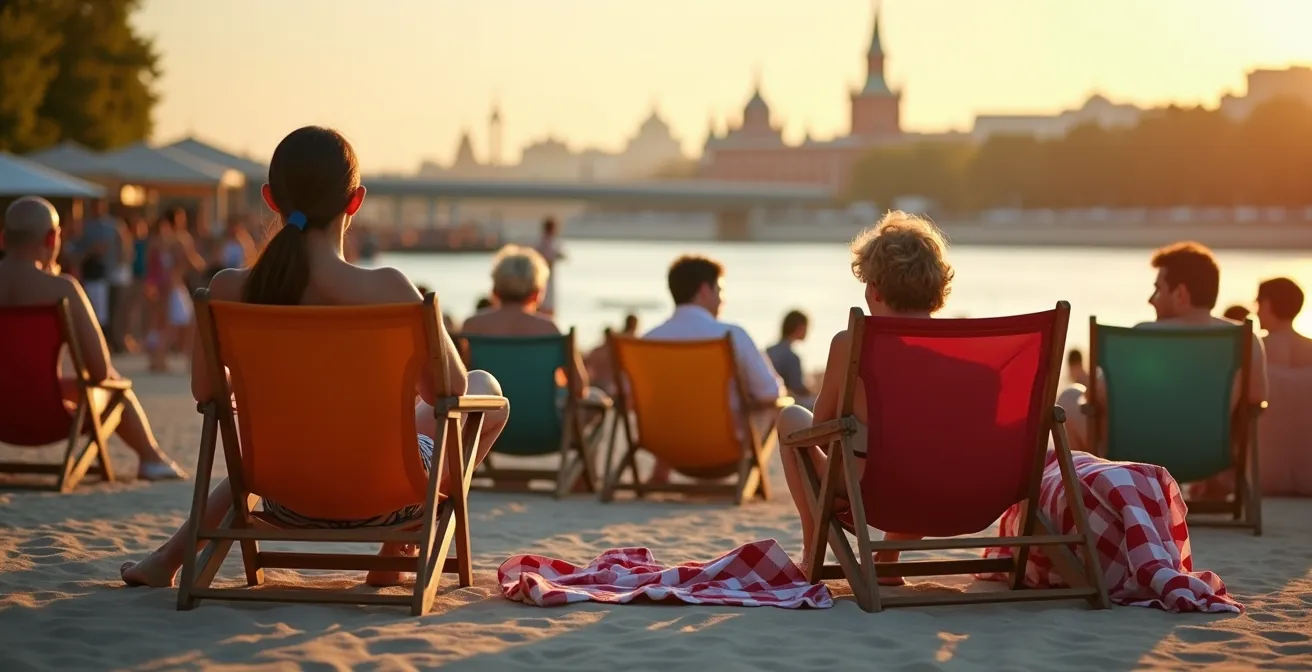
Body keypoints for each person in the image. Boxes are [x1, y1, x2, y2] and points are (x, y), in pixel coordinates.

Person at [120, 126, 509, 589]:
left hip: (280, 489)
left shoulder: (226, 290)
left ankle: (169, 558)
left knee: (261, 454)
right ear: (355, 201)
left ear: (270, 198)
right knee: (489, 392)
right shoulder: (389, 290)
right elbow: (450, 390)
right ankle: (398, 547)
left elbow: (207, 394)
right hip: (389, 495)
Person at [775, 211, 953, 579]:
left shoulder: (851, 344)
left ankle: (813, 550)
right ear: (937, 289)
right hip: (947, 490)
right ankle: (889, 560)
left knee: (792, 419)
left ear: (873, 289)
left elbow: (821, 428)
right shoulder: (966, 350)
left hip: (869, 489)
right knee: (925, 455)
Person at [0, 197, 187, 481]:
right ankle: (151, 459)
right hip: (48, 418)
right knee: (114, 383)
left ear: (3, 239)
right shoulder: (62, 290)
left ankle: (152, 458)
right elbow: (99, 370)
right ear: (52, 239)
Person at [1058, 241, 1268, 456]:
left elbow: (1095, 396)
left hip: (1140, 459)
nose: (1151, 300)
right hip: (1208, 459)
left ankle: (1093, 485)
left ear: (1181, 294)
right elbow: (1255, 403)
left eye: (1158, 289)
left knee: (1069, 398)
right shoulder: (1247, 340)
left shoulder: (1143, 336)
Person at [644, 254, 783, 484]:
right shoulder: (732, 336)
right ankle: (752, 481)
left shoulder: (648, 341)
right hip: (723, 449)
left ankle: (661, 471)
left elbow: (629, 398)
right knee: (776, 403)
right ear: (705, 291)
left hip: (665, 446)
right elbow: (770, 392)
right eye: (720, 290)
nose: (722, 300)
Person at [460, 245, 592, 391]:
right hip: (539, 413)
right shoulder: (549, 329)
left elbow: (457, 383)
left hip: (485, 413)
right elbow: (579, 387)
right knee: (595, 397)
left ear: (494, 291)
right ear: (537, 294)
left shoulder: (472, 326)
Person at [1256, 277, 1312, 368]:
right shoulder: (1309, 348)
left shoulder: (1255, 349)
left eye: (1257, 304)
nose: (1256, 312)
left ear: (1266, 305)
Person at [767, 310, 815, 408]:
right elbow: (797, 387)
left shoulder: (769, 350)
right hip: (782, 403)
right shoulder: (792, 357)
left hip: (769, 401)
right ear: (799, 327)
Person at [533, 216, 564, 317]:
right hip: (543, 274)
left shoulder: (550, 241)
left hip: (547, 275)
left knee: (547, 298)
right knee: (545, 297)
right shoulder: (545, 241)